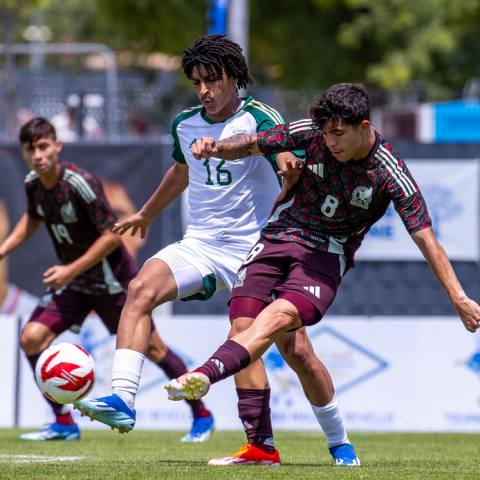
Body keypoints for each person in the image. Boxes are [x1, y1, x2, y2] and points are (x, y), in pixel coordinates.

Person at [75, 35, 359, 467]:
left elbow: (282, 153)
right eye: (196, 83)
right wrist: (147, 214)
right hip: (201, 243)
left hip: (257, 247)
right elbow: (181, 170)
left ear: (234, 77)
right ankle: (124, 399)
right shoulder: (185, 124)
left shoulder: (260, 117)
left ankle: (339, 442)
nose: (204, 90)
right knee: (140, 289)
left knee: (295, 351)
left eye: (212, 80)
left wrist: (289, 166)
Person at [166, 82, 480, 449]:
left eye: (338, 134)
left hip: (327, 254)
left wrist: (458, 297)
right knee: (246, 325)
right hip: (278, 236)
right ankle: (260, 447)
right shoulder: (310, 132)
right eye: (326, 133)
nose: (330, 142)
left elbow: (427, 239)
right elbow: (254, 144)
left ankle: (334, 440)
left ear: (363, 127)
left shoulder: (389, 170)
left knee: (285, 324)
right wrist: (215, 147)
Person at [0, 117, 213, 442]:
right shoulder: (33, 183)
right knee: (31, 338)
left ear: (57, 146)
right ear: (25, 154)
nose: (38, 155)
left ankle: (202, 414)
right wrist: (4, 250)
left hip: (110, 282)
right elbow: (33, 217)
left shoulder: (80, 183)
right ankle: (64, 423)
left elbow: (112, 237)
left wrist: (69, 270)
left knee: (155, 350)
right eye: (30, 149)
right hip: (75, 284)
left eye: (43, 146)